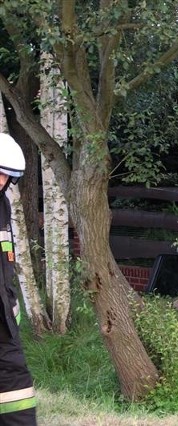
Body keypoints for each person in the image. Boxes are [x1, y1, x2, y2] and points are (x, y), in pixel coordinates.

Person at [0, 133, 37, 425]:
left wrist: (10, 302)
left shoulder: (3, 206)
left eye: (6, 177)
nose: (1, 181)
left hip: (3, 320)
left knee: (17, 391)